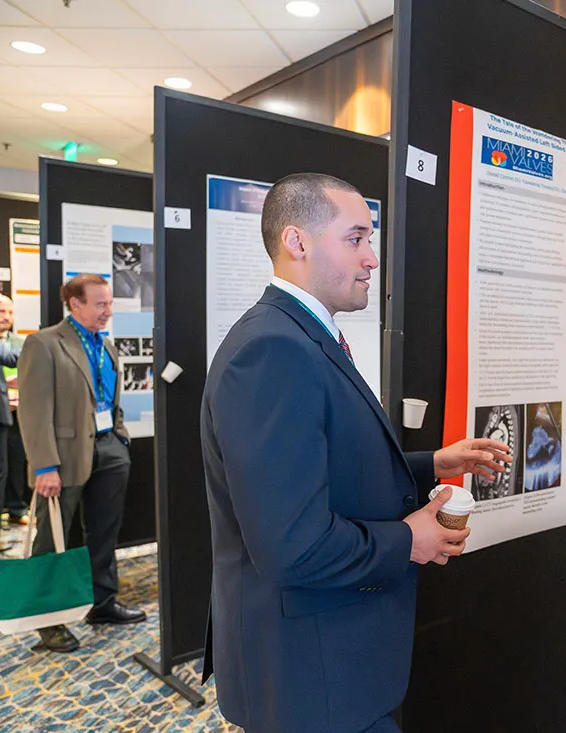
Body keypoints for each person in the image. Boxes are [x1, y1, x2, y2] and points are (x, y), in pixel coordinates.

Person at [201, 172, 512, 733]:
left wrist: (431, 464)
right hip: (311, 674)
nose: (373, 259)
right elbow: (291, 547)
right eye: (357, 239)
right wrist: (410, 540)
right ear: (298, 242)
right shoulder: (273, 349)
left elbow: (324, 470)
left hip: (332, 661)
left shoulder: (300, 336)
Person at [17, 274, 146, 654]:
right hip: (62, 459)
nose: (108, 311)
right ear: (74, 304)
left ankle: (101, 604)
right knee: (53, 541)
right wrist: (44, 466)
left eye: (109, 303)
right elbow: (34, 411)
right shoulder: (44, 344)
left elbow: (110, 399)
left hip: (108, 450)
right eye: (100, 304)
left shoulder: (105, 346)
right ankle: (48, 622)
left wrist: (119, 438)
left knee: (104, 533)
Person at [0, 295, 30, 530]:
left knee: (13, 465)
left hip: (15, 415)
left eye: (9, 311)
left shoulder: (18, 341)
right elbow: (10, 357)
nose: (5, 316)